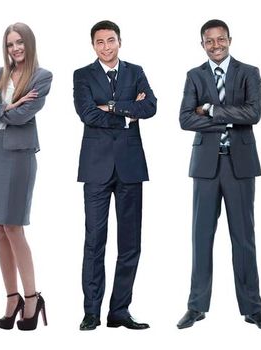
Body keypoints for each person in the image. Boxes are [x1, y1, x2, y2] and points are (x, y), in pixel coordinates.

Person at [176, 19, 261, 331]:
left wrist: (212, 110)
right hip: (205, 167)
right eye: (209, 41)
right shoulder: (194, 75)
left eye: (220, 39)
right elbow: (185, 118)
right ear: (202, 44)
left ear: (229, 39)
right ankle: (196, 307)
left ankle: (253, 309)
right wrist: (228, 118)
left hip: (240, 165)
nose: (216, 45)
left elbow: (254, 113)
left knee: (244, 239)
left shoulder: (249, 73)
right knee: (200, 237)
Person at [71, 20, 157, 331]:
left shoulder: (135, 71)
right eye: (100, 42)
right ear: (93, 46)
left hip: (131, 166)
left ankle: (119, 310)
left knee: (130, 241)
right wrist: (125, 113)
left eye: (111, 40)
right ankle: (91, 311)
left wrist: (109, 106)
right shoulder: (82, 75)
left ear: (120, 41)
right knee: (95, 240)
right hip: (96, 167)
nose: (106, 47)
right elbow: (87, 113)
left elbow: (150, 106)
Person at [0, 22, 52, 331]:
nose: (15, 48)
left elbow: (23, 115)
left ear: (29, 44)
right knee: (0, 229)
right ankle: (11, 297)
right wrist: (9, 103)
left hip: (19, 155)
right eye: (10, 44)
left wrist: (3, 107)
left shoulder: (41, 77)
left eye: (19, 42)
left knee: (14, 226)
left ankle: (31, 298)